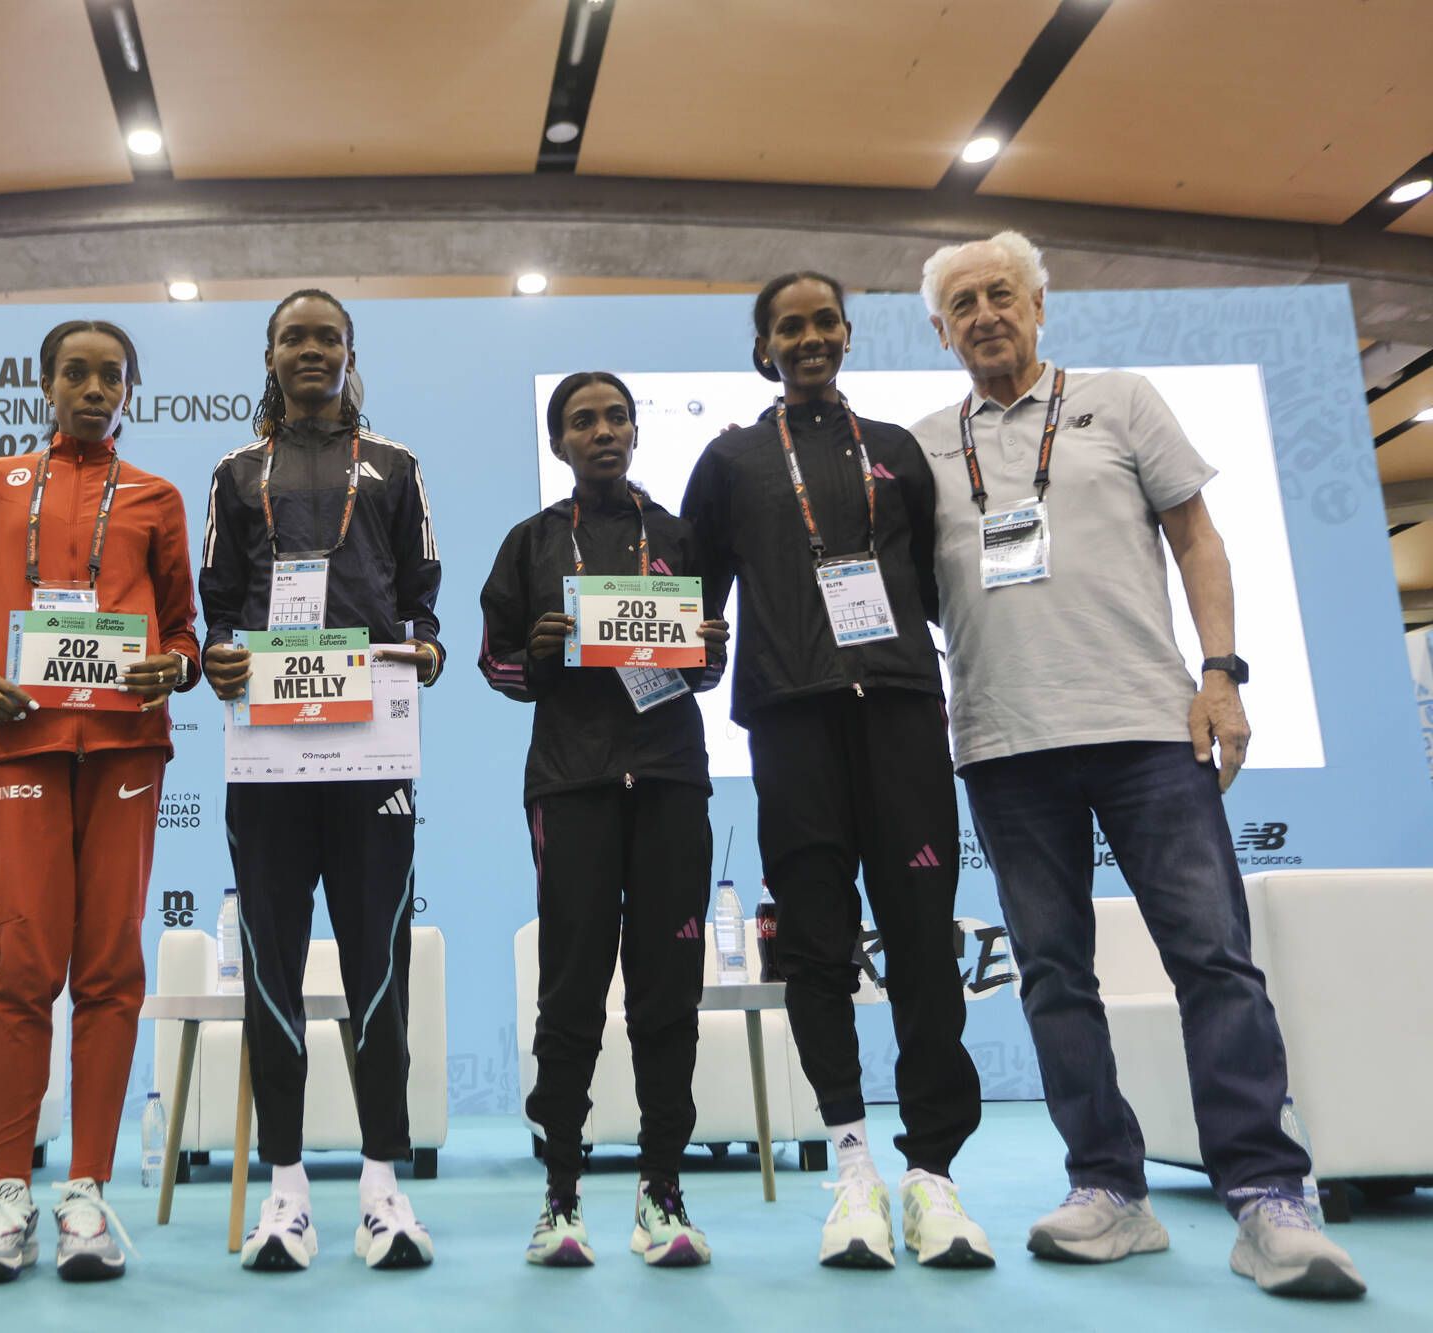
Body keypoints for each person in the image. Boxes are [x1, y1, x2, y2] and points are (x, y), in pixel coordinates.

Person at [914, 230, 1364, 1298]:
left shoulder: (1117, 400)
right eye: (961, 303)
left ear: (1036, 304)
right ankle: (1107, 1189)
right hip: (1001, 743)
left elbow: (1196, 537)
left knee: (1210, 960)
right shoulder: (924, 444)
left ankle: (1264, 1197)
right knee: (1054, 975)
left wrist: (1219, 673)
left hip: (1145, 729)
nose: (983, 314)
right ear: (937, 329)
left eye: (1000, 294)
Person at [681, 272, 992, 1271]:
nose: (807, 337)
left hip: (900, 710)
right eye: (787, 326)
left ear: (846, 335)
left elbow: (948, 591)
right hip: (788, 719)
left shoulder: (896, 452)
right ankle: (851, 1167)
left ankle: (932, 1176)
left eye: (822, 321)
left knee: (920, 942)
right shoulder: (728, 461)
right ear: (761, 347)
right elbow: (688, 599)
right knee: (814, 946)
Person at [0, 320, 200, 1283]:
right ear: (45, 384)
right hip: (21, 746)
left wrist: (180, 665)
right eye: (76, 373)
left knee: (110, 966)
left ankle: (86, 1190)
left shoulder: (157, 496)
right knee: (23, 964)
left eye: (111, 376)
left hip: (127, 745)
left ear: (130, 389)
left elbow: (183, 631)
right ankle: (9, 1195)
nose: (94, 389)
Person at [199, 289, 443, 1273]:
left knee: (376, 968)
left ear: (350, 354)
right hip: (268, 755)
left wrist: (422, 650)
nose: (310, 350)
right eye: (293, 336)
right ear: (269, 354)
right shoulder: (231, 472)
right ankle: (285, 1192)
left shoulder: (393, 466)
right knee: (270, 970)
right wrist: (216, 653)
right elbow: (214, 609)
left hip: (367, 755)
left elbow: (421, 597)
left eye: (326, 337)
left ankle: (383, 1188)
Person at [480, 371, 729, 1269]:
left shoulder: (677, 535)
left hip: (670, 780)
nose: (603, 432)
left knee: (669, 991)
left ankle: (662, 1191)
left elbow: (703, 662)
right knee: (571, 993)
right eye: (582, 421)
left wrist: (708, 653)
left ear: (634, 431)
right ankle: (560, 1198)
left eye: (616, 417)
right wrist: (538, 656)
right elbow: (493, 661)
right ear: (558, 444)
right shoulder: (532, 541)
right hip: (572, 786)